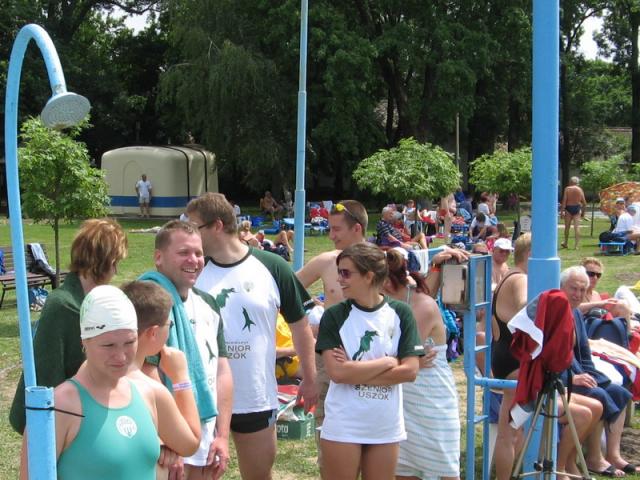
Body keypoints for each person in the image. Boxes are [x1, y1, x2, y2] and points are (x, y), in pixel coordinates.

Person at [186, 192, 318, 480]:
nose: (189, 235)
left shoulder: (272, 266)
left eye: (194, 227)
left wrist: (310, 379)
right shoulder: (191, 270)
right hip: (202, 397)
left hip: (255, 396)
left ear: (217, 226)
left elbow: (300, 326)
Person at [20, 285, 201, 480]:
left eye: (129, 342)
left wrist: (162, 444)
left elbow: (189, 445)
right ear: (84, 342)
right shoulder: (58, 407)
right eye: (108, 345)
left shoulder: (150, 393)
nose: (121, 356)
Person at [315, 243, 424, 480]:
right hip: (344, 424)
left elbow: (410, 371)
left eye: (346, 273)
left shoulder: (401, 313)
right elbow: (337, 374)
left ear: (369, 276)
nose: (339, 279)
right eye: (339, 272)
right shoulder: (334, 316)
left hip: (385, 425)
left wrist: (354, 370)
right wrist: (387, 363)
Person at [10, 218, 128, 434]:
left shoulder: (91, 303)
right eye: (114, 263)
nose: (116, 271)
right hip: (65, 427)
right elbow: (47, 376)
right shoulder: (64, 306)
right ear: (101, 261)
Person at [140, 220, 233, 480]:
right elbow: (146, 375)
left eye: (198, 253)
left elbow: (222, 370)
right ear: (159, 257)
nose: (193, 260)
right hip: (165, 447)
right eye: (183, 252)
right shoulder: (148, 303)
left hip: (205, 439)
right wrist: (170, 439)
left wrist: (222, 435)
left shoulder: (208, 303)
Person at [383, 249, 460, 480]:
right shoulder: (389, 301)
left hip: (430, 398)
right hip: (400, 394)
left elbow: (402, 351)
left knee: (444, 467)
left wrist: (405, 358)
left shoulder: (422, 306)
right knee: (403, 468)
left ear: (386, 282)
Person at [560, 266, 638, 477]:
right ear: (562, 287)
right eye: (573, 288)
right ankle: (590, 457)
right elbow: (556, 357)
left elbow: (584, 352)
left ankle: (613, 454)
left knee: (618, 391)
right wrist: (574, 377)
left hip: (578, 371)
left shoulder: (576, 313)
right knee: (598, 395)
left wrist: (594, 375)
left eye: (581, 289)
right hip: (562, 377)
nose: (577, 294)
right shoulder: (557, 313)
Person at [560, 176, 587, 249]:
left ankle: (565, 243)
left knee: (567, 227)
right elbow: (584, 203)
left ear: (570, 182)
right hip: (577, 208)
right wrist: (583, 213)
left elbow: (564, 201)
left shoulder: (567, 189)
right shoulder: (579, 189)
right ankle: (576, 245)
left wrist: (562, 212)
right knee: (576, 227)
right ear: (577, 182)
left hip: (568, 208)